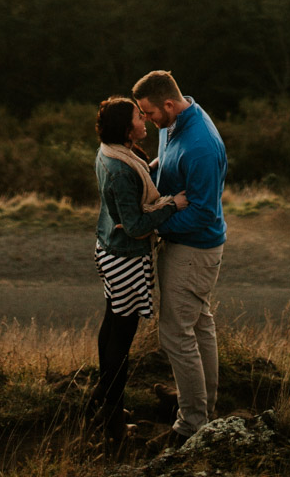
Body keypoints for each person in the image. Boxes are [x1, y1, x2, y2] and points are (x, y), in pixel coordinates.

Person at [132, 69, 228, 449]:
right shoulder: (172, 123)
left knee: (176, 333)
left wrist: (153, 227)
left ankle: (190, 425)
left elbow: (204, 212)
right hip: (187, 243)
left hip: (195, 249)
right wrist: (145, 170)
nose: (147, 120)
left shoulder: (201, 144)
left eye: (150, 114)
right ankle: (204, 409)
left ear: (168, 105)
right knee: (199, 324)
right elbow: (167, 162)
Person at [92, 96, 188, 449]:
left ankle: (100, 403)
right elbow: (134, 226)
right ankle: (114, 423)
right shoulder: (121, 168)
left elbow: (134, 183)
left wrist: (157, 166)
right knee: (121, 339)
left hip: (108, 250)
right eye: (138, 116)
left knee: (111, 325)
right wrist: (170, 204)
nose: (144, 119)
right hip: (127, 258)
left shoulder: (113, 152)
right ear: (126, 127)